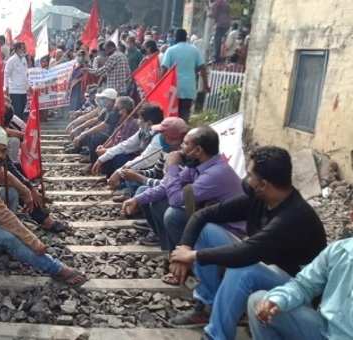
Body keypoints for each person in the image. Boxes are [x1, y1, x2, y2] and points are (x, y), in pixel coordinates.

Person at [167, 146, 327, 340]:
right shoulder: (260, 198)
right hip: (265, 265)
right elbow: (203, 215)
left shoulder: (293, 217)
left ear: (264, 184)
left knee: (242, 269)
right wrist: (184, 248)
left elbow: (246, 253)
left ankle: (215, 335)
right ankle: (209, 305)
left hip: (296, 288)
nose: (246, 180)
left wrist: (193, 256)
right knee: (206, 229)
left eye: (250, 175)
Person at [0, 125, 87, 286]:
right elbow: (2, 215)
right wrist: (33, 241)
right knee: (10, 236)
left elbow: (5, 176)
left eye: (3, 151)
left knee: (10, 192)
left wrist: (26, 192)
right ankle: (57, 269)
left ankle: (1, 244)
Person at [123, 126, 244, 251]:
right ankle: (171, 253)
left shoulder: (215, 173)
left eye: (185, 143)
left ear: (198, 150)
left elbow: (176, 200)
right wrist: (136, 199)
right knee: (147, 195)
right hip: (209, 217)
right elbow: (166, 187)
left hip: (228, 231)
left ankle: (188, 261)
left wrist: (172, 166)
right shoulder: (197, 164)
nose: (181, 146)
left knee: (173, 214)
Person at [248, 237, 353, 340]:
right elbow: (303, 285)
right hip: (324, 329)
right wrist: (278, 299)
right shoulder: (338, 250)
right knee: (260, 302)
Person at [93, 104, 163, 178]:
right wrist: (101, 159)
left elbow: (145, 160)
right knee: (115, 156)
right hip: (142, 163)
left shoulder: (158, 137)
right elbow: (126, 145)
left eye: (140, 119)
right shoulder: (143, 131)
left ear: (149, 123)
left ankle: (123, 184)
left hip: (153, 170)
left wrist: (119, 172)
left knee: (122, 162)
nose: (138, 122)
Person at [161, 29, 210, 121]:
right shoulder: (194, 50)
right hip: (189, 87)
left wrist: (160, 85)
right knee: (185, 115)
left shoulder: (170, 50)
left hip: (173, 88)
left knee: (172, 116)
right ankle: (183, 133)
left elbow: (164, 68)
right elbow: (202, 67)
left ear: (176, 37)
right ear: (186, 37)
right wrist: (206, 85)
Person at [4, 42, 30, 121]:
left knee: (22, 112)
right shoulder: (11, 60)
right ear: (17, 49)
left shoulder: (24, 59)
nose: (24, 50)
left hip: (23, 91)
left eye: (24, 48)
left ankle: (21, 131)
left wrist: (28, 87)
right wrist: (6, 88)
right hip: (14, 91)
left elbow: (25, 75)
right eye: (22, 48)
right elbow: (6, 74)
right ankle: (16, 131)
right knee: (17, 113)